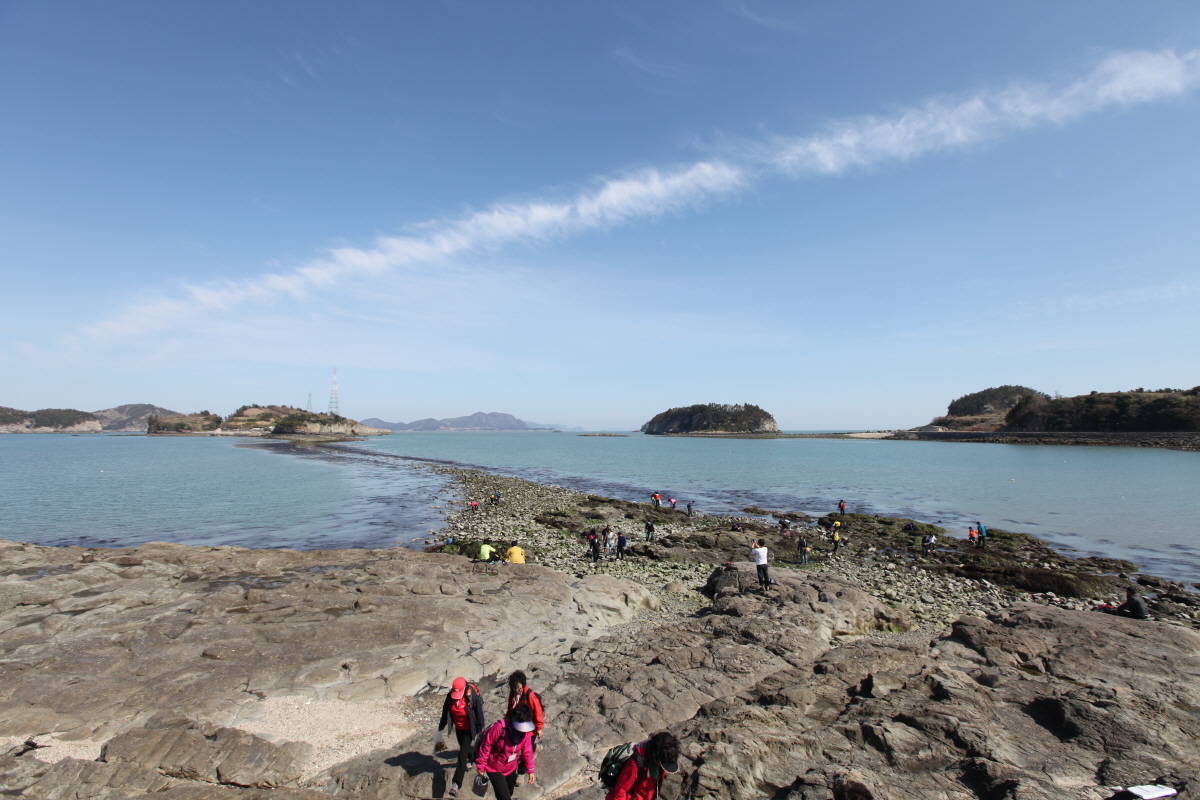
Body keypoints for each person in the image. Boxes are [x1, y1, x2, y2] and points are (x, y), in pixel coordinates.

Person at [436, 677, 485, 797]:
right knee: (466, 749)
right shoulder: (450, 697)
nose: (456, 697)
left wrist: (479, 730)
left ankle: (456, 784)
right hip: (459, 729)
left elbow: (479, 713)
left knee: (462, 755)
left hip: (470, 729)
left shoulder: (471, 696)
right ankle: (472, 758)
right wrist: (441, 726)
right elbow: (445, 712)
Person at [476, 705, 537, 800]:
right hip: (494, 768)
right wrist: (481, 765)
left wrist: (531, 770)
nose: (522, 730)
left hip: (511, 767)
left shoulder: (525, 733)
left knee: (509, 792)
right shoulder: (499, 728)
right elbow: (486, 745)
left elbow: (528, 751)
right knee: (504, 797)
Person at [606, 731, 680, 800]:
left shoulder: (662, 760)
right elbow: (620, 792)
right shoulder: (634, 764)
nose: (663, 766)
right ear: (656, 757)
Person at [505, 670, 545, 776]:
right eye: (514, 688)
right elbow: (510, 708)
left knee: (526, 749)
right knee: (517, 745)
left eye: (518, 687)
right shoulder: (513, 694)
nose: (516, 690)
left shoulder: (530, 695)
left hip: (529, 728)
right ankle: (535, 748)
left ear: (523, 684)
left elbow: (538, 712)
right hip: (517, 725)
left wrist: (539, 728)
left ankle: (522, 771)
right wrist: (507, 720)